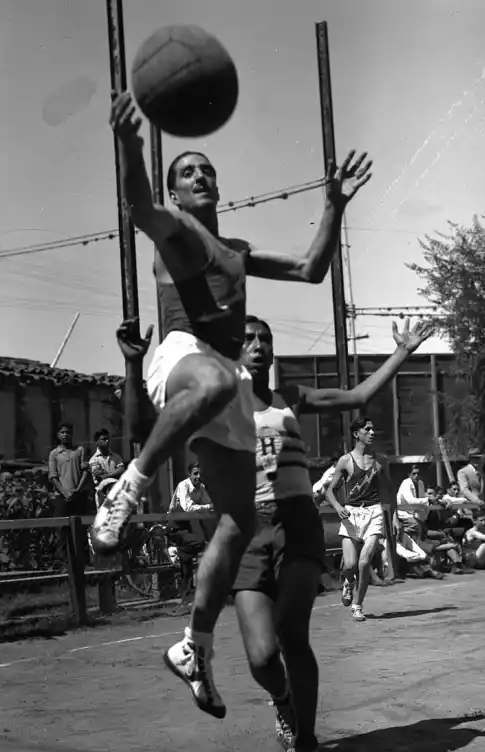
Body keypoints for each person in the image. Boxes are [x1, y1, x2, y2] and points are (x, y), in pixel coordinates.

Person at [93, 91, 373, 717]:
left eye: (207, 170)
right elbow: (138, 204)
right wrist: (132, 145)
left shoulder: (238, 253)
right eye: (188, 171)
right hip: (184, 360)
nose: (201, 177)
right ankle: (129, 486)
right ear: (177, 192)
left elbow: (310, 269)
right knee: (220, 381)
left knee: (237, 523)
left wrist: (332, 204)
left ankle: (194, 645)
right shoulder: (174, 231)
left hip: (224, 391)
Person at [119, 313, 433, 752]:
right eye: (248, 339)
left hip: (297, 523)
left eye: (266, 338)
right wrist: (132, 366)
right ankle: (285, 704)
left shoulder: (291, 398)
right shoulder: (214, 404)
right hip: (247, 533)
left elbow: (357, 396)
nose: (259, 345)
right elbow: (144, 430)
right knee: (262, 657)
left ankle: (306, 746)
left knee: (292, 632)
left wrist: (403, 352)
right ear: (232, 352)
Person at [325, 417, 396, 621]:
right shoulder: (345, 461)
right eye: (368, 429)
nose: (372, 433)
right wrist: (338, 508)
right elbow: (330, 491)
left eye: (373, 429)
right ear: (357, 434)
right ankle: (348, 582)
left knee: (364, 563)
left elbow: (389, 490)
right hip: (351, 515)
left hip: (374, 512)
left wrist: (394, 517)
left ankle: (357, 605)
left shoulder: (380, 460)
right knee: (350, 565)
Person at [168, 463, 214, 603]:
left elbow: (209, 504)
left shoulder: (201, 487)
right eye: (195, 474)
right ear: (189, 475)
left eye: (200, 474)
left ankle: (187, 595)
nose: (198, 477)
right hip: (174, 526)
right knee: (199, 543)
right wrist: (208, 506)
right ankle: (175, 550)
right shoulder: (183, 486)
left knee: (189, 558)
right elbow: (187, 507)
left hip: (186, 527)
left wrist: (215, 506)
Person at [48, 424, 90, 562]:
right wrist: (65, 493)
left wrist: (77, 490)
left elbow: (85, 471)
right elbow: (53, 477)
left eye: (68, 432)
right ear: (58, 435)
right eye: (62, 432)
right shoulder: (54, 453)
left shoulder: (79, 450)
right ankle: (63, 563)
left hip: (79, 496)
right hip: (62, 497)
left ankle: (81, 562)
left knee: (80, 530)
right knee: (61, 530)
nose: (65, 435)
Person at [89, 429, 126, 509]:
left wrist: (107, 475)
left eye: (108, 438)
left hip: (118, 493)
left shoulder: (116, 457)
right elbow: (99, 475)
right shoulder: (94, 460)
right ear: (97, 442)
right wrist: (115, 473)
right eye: (103, 439)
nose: (107, 441)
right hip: (102, 495)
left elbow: (121, 470)